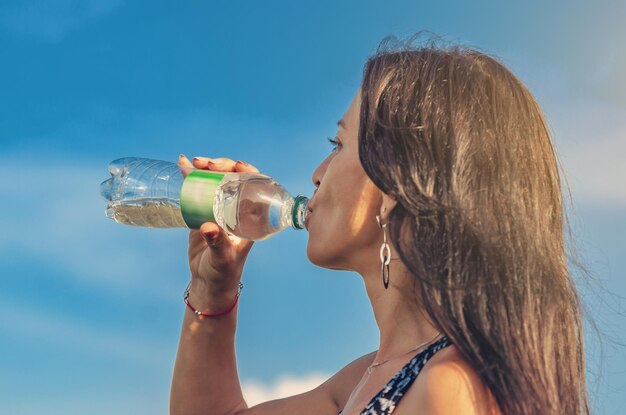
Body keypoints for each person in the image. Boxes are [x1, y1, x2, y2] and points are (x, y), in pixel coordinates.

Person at [170, 39, 590, 414]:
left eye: (338, 145)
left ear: (395, 183)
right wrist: (214, 288)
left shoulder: (450, 390)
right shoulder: (365, 380)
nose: (316, 175)